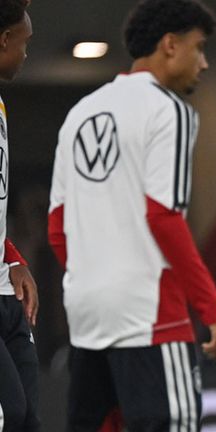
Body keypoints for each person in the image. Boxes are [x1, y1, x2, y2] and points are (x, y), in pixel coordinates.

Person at [47, 1, 216, 430]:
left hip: (87, 311)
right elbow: (163, 217)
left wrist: (94, 280)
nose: (203, 63)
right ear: (170, 45)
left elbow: (58, 227)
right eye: (199, 48)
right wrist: (211, 307)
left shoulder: (79, 114)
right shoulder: (170, 111)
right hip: (150, 314)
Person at [0, 1, 40, 430]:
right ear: (4, 39)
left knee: (28, 417)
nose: (28, 53)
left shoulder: (1, 106)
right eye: (25, 42)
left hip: (7, 296)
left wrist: (13, 257)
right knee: (6, 411)